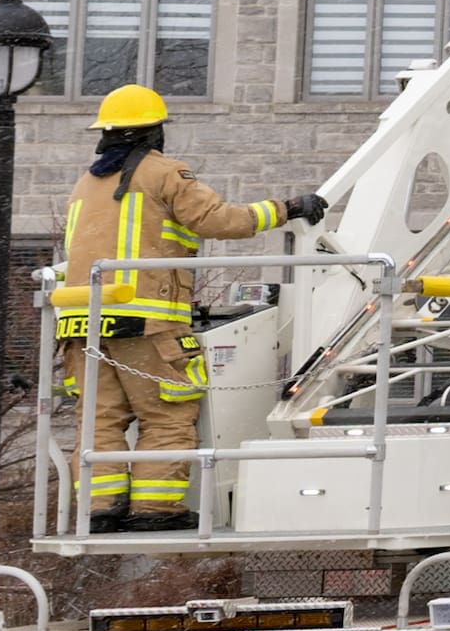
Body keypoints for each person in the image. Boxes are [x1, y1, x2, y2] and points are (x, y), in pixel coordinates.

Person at [45, 84, 302, 530]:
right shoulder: (163, 173)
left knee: (99, 422)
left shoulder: (86, 184)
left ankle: (100, 511)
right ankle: (155, 510)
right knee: (167, 415)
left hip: (79, 322)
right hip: (144, 322)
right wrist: (287, 208)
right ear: (153, 132)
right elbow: (221, 220)